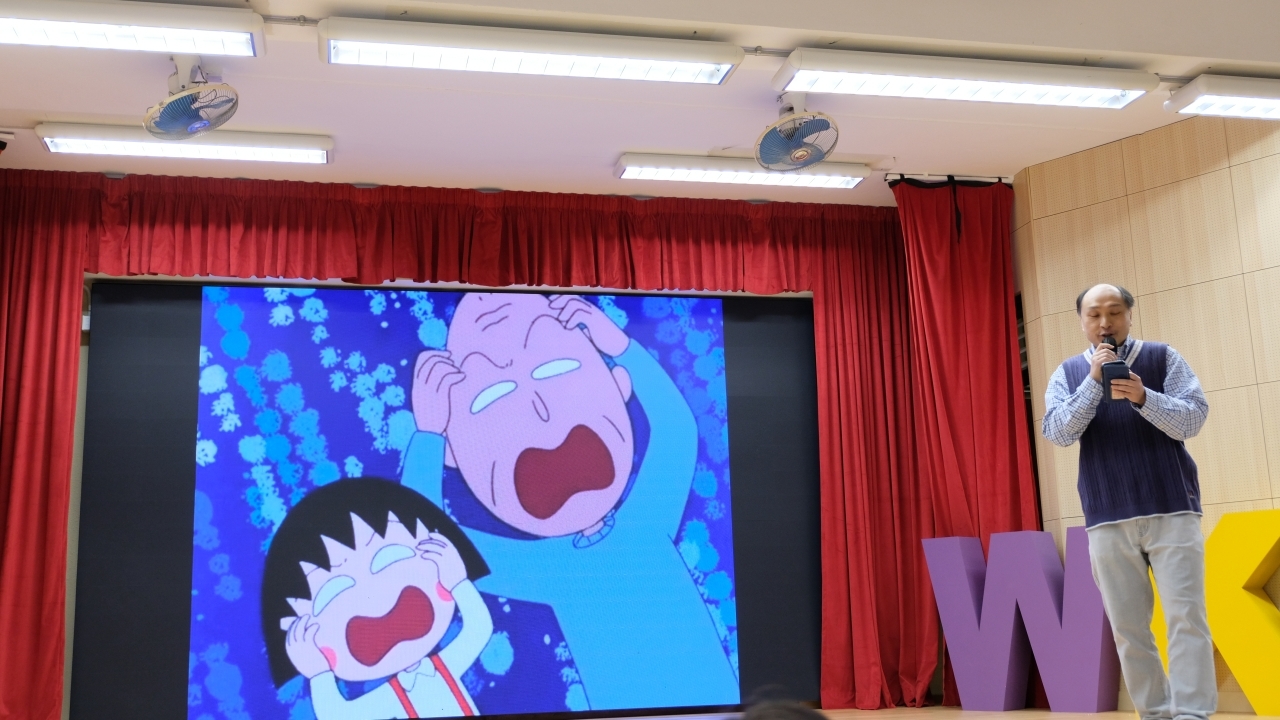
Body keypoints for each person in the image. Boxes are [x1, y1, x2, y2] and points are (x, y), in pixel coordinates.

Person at [401, 291, 740, 710]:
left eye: (557, 369)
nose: (539, 410)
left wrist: (620, 346)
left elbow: (675, 430)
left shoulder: (647, 518)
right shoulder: (553, 570)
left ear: (620, 385)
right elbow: (434, 546)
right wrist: (429, 436)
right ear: (455, 455)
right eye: (492, 398)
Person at [1042, 283, 1214, 720]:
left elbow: (1193, 418)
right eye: (1095, 314)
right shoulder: (1067, 373)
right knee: (1128, 628)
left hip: (1172, 506)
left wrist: (1143, 396)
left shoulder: (1162, 357)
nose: (1105, 323)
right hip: (1107, 516)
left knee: (1187, 618)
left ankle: (1192, 713)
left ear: (1130, 316)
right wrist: (1092, 382)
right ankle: (1155, 713)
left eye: (1115, 312)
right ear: (1082, 322)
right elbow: (1058, 432)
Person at [261, 478, 493, 720]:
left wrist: (457, 582)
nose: (373, 603)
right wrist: (319, 673)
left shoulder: (441, 669)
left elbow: (479, 629)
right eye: (333, 593)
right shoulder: (394, 696)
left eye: (392, 558)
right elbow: (337, 715)